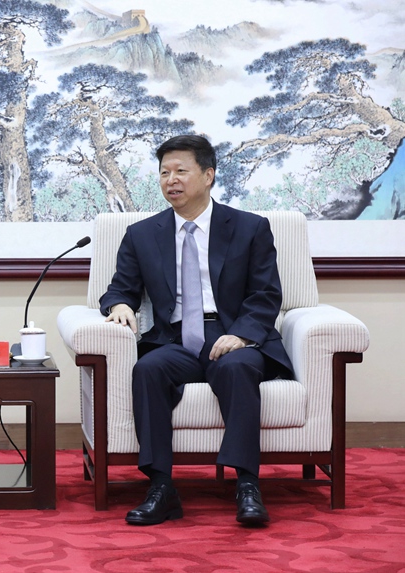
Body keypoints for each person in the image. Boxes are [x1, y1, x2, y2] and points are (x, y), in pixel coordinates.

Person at [99, 135, 293, 526]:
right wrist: (119, 305)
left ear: (208, 175)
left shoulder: (249, 228)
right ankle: (161, 487)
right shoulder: (142, 234)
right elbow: (121, 288)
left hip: (231, 334)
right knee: (148, 369)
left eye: (181, 171)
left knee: (237, 367)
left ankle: (248, 485)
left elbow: (266, 293)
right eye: (164, 172)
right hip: (175, 339)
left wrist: (241, 335)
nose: (171, 180)